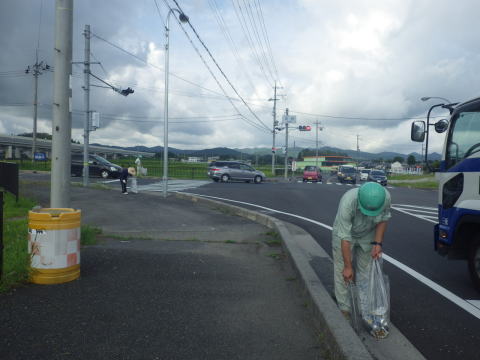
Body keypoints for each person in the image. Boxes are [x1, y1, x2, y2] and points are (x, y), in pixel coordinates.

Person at [332, 182, 391, 317]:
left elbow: (383, 220)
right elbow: (345, 238)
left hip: (368, 233)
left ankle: (364, 308)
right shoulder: (348, 201)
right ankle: (345, 308)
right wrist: (348, 266)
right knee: (343, 271)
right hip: (344, 233)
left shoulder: (385, 198)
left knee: (366, 271)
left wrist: (378, 243)